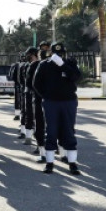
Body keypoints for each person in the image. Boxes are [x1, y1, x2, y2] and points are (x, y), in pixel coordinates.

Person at [32, 42, 83, 175]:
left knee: (69, 131)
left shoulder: (70, 63)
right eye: (56, 54)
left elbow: (76, 77)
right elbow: (36, 83)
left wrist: (63, 65)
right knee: (51, 131)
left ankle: (72, 163)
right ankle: (49, 163)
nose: (59, 56)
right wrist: (46, 96)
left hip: (68, 102)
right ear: (52, 54)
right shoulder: (45, 65)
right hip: (51, 103)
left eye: (61, 54)